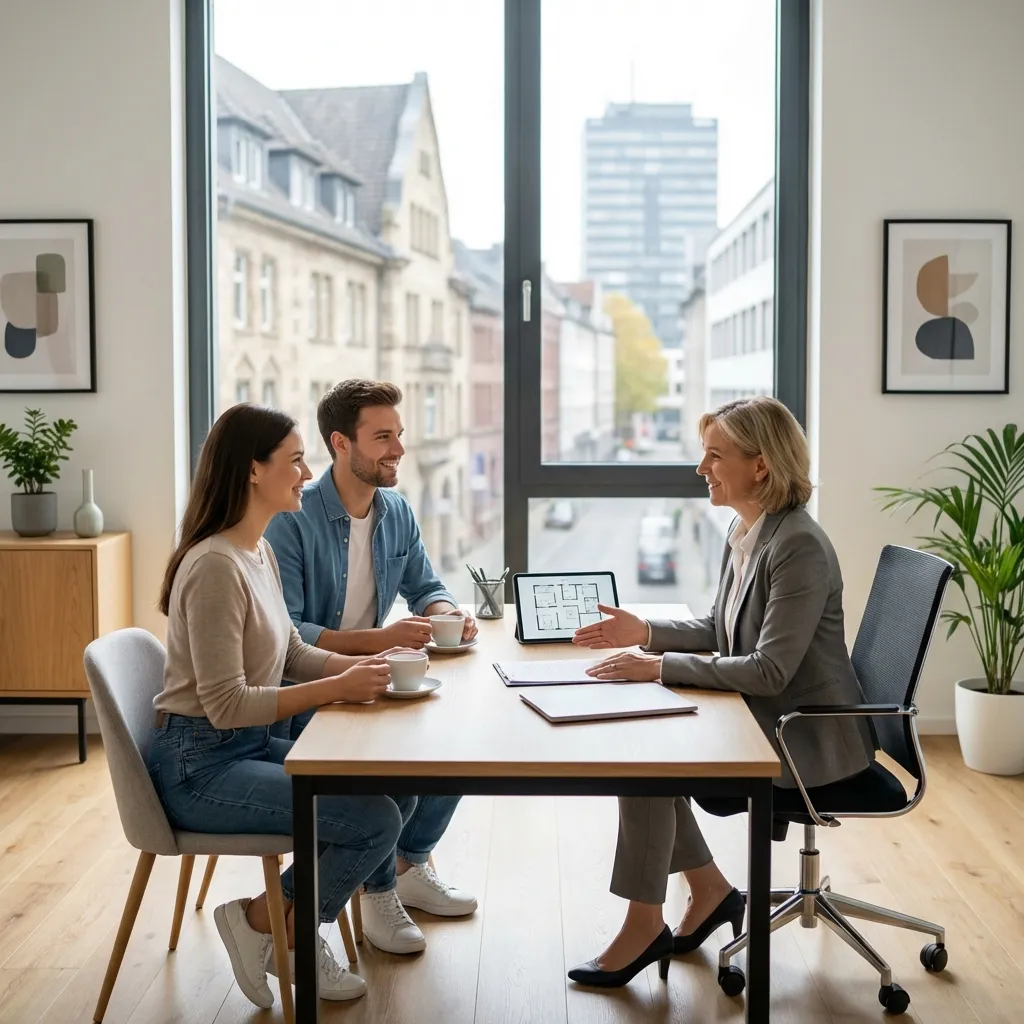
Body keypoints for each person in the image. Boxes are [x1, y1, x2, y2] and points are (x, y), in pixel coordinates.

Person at [568, 396, 876, 988]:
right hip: (764, 716)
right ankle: (708, 891)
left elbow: (768, 671)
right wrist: (646, 631)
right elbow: (721, 628)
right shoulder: (748, 529)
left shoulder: (798, 545)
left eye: (715, 455)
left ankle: (646, 924)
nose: (701, 468)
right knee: (644, 749)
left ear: (760, 465)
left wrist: (657, 668)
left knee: (646, 760)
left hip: (804, 738)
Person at [148, 403, 414, 1009]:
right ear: (252, 470)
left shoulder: (256, 551)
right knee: (373, 820)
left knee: (391, 786)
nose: (307, 473)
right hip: (201, 767)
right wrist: (336, 688)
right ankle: (276, 929)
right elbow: (226, 705)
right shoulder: (216, 566)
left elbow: (292, 652)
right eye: (295, 461)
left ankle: (272, 925)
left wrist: (367, 667)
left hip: (245, 748)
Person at [264, 378, 478, 956]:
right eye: (383, 437)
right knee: (389, 767)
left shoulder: (396, 511)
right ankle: (376, 892)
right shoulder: (292, 519)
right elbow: (289, 634)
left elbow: (426, 586)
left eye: (398, 435)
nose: (398, 449)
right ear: (341, 443)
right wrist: (379, 640)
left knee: (457, 743)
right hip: (308, 694)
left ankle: (409, 866)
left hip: (371, 680)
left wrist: (447, 615)